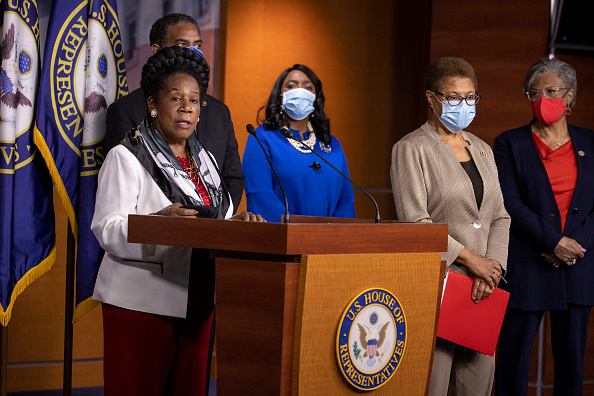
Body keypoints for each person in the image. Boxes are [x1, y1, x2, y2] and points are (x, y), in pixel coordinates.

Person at [91, 46, 265, 396]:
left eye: (195, 100)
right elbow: (107, 227)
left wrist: (237, 223)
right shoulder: (126, 156)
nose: (187, 106)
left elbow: (213, 220)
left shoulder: (206, 162)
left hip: (197, 301)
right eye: (175, 98)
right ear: (153, 105)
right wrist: (159, 222)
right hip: (140, 304)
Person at [390, 57, 510, 395]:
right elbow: (416, 224)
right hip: (440, 287)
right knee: (434, 385)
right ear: (432, 98)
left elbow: (499, 215)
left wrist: (493, 270)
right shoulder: (411, 149)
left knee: (477, 386)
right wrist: (473, 262)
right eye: (454, 97)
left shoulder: (484, 149)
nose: (464, 105)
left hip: (485, 288)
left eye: (470, 97)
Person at [494, 58, 593, 396]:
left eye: (551, 91)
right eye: (534, 93)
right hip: (529, 263)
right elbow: (510, 203)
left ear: (570, 97)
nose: (542, 100)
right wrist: (553, 243)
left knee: (570, 368)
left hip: (578, 264)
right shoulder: (511, 143)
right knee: (513, 364)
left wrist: (573, 246)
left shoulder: (591, 143)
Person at [104, 13, 244, 210]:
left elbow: (232, 178)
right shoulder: (125, 112)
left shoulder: (219, 113)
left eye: (197, 45)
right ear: (156, 50)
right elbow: (118, 206)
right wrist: (164, 223)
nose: (193, 52)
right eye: (182, 44)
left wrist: (221, 222)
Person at [242, 64, 356, 222]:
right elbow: (260, 194)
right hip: (283, 238)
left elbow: (346, 199)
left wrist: (334, 235)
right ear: (280, 96)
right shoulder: (261, 139)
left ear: (316, 97)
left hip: (331, 241)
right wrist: (299, 232)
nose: (300, 91)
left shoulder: (332, 144)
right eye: (291, 85)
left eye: (308, 87)